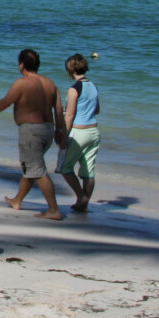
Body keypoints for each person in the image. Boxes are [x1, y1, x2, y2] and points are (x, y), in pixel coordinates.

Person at [0, 48, 67, 220]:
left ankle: (53, 209)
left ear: (22, 65)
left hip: (31, 131)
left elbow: (5, 102)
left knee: (37, 170)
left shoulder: (22, 83)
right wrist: (60, 130)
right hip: (48, 129)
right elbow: (59, 108)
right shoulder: (50, 83)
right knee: (31, 167)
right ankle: (17, 200)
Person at [57, 53, 101, 213]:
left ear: (70, 70)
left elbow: (70, 115)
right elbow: (96, 109)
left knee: (64, 167)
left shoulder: (74, 89)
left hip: (78, 132)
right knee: (88, 171)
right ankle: (83, 204)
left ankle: (81, 196)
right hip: (94, 132)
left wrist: (63, 135)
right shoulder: (93, 86)